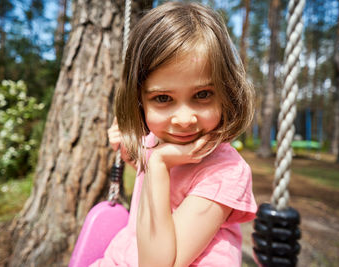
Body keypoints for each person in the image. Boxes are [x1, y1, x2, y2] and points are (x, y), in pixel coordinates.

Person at [92, 2, 257, 266]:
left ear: (227, 93)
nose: (184, 120)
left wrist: (158, 163)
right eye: (163, 98)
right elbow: (142, 161)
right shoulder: (155, 142)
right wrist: (125, 144)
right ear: (139, 101)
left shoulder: (225, 172)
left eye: (202, 95)